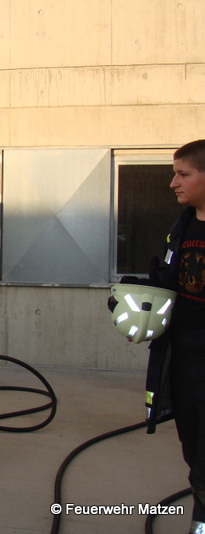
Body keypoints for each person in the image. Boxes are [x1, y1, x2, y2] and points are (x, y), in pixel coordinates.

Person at [150, 139, 205, 532]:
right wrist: (139, 304)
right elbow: (170, 287)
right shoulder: (181, 228)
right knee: (193, 443)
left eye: (183, 174)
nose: (173, 183)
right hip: (183, 355)